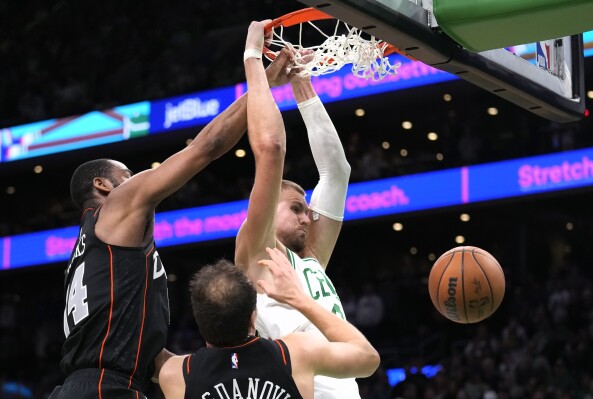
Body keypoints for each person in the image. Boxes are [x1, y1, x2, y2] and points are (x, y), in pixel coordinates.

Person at [49, 47, 294, 399]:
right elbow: (205, 147)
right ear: (103, 185)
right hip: (106, 389)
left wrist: (216, 368)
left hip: (90, 386)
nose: (137, 181)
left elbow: (139, 353)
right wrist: (262, 82)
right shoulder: (117, 207)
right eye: (128, 175)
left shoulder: (90, 254)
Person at [235, 19, 357, 399]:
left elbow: (336, 172)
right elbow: (269, 148)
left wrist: (303, 86)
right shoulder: (256, 253)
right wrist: (253, 58)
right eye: (297, 208)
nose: (308, 217)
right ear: (270, 211)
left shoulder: (311, 259)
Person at [158, 247, 380, 399]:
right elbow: (368, 358)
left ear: (200, 322)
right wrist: (299, 299)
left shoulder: (176, 374)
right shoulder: (296, 353)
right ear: (253, 317)